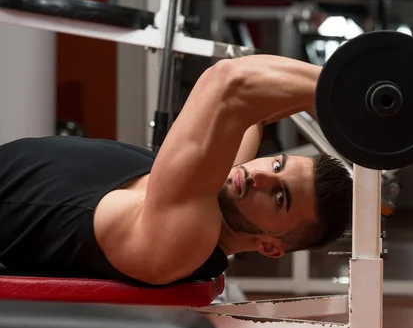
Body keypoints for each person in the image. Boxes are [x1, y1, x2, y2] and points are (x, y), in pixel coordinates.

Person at [0, 54, 353, 285]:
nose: (260, 176)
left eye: (279, 197)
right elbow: (256, 112)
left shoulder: (188, 238)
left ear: (269, 246)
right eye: (278, 164)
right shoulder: (223, 187)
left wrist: (343, 86)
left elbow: (230, 83)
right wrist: (341, 106)